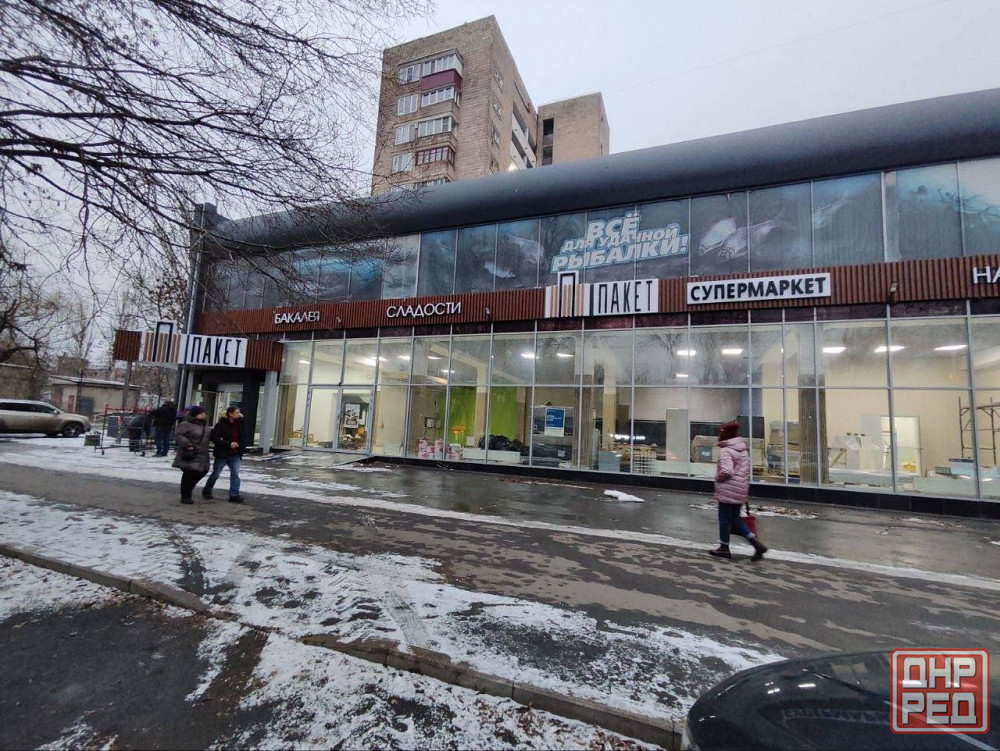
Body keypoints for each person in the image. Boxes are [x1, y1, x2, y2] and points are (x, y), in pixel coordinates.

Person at [710, 420, 768, 561]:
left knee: (724, 519)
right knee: (735, 519)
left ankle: (724, 547)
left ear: (725, 435)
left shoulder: (726, 451)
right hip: (740, 489)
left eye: (721, 433)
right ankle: (756, 544)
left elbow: (726, 471)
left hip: (728, 489)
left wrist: (717, 478)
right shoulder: (743, 451)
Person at [203, 406, 246, 502]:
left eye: (239, 412)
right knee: (216, 473)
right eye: (236, 413)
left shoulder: (239, 423)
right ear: (230, 414)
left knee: (235, 474)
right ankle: (207, 490)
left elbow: (243, 436)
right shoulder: (221, 424)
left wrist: (241, 448)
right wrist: (228, 444)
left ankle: (234, 494)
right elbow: (214, 437)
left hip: (235, 453)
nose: (239, 414)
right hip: (222, 453)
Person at [172, 406, 212, 504]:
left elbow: (209, 436)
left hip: (203, 454)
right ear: (195, 414)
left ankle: (188, 489)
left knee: (203, 471)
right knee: (189, 473)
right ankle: (186, 495)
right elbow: (178, 435)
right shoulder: (185, 424)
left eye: (204, 413)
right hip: (190, 452)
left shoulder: (205, 425)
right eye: (201, 413)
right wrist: (187, 444)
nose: (204, 415)